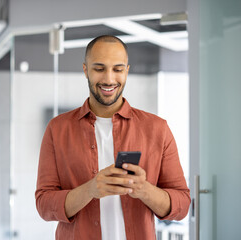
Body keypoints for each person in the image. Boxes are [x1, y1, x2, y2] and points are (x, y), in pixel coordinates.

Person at [35, 35, 190, 240]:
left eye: (117, 69)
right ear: (85, 70)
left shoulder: (158, 129)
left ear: (127, 70)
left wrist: (145, 190)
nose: (109, 79)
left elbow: (182, 205)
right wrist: (90, 190)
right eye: (99, 69)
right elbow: (44, 205)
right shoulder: (57, 129)